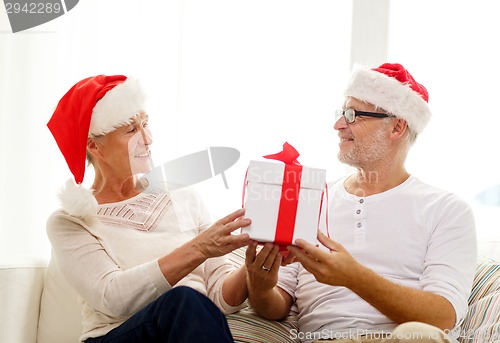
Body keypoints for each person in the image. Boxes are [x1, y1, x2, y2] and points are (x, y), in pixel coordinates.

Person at [245, 63, 477, 343]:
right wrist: (260, 289)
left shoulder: (446, 209)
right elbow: (277, 304)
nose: (338, 124)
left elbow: (442, 317)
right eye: (341, 113)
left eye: (352, 114)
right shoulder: (311, 198)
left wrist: (353, 277)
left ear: (397, 127)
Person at [46, 75, 253, 343]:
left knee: (188, 304)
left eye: (146, 124)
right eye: (131, 130)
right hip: (115, 336)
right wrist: (199, 248)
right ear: (94, 145)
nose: (148, 139)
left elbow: (221, 297)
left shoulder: (183, 196)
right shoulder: (71, 222)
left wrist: (252, 268)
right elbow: (113, 297)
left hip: (186, 330)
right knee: (184, 301)